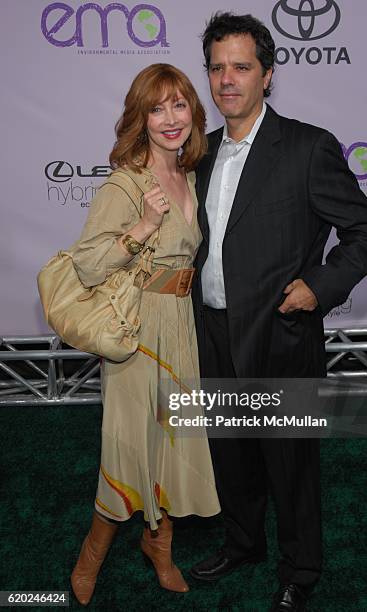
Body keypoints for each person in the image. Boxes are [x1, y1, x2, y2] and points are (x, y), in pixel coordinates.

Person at [190, 12, 367, 612]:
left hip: (281, 333)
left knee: (290, 461)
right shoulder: (199, 153)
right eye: (217, 67)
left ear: (268, 75)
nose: (227, 80)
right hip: (214, 331)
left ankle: (301, 568)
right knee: (233, 449)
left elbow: (364, 231)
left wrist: (318, 287)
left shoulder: (307, 146)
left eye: (241, 67)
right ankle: (243, 543)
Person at [69, 63, 220, 605]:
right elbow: (87, 265)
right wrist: (140, 228)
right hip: (138, 330)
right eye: (157, 108)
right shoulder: (127, 182)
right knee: (129, 444)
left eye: (179, 104)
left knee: (173, 442)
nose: (170, 118)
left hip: (182, 324)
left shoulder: (192, 175)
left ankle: (160, 547)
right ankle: (93, 553)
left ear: (193, 112)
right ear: (141, 118)